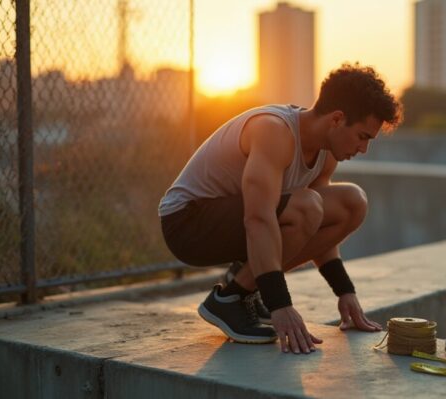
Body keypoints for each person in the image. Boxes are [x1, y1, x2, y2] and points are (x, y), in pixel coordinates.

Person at [159, 63, 402, 355]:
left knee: (352, 203)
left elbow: (320, 226)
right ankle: (230, 299)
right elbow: (259, 218)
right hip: (187, 223)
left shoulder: (326, 154)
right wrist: (280, 304)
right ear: (337, 119)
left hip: (237, 221)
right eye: (363, 136)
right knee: (308, 206)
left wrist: (344, 291)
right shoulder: (275, 132)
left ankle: (243, 288)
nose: (363, 149)